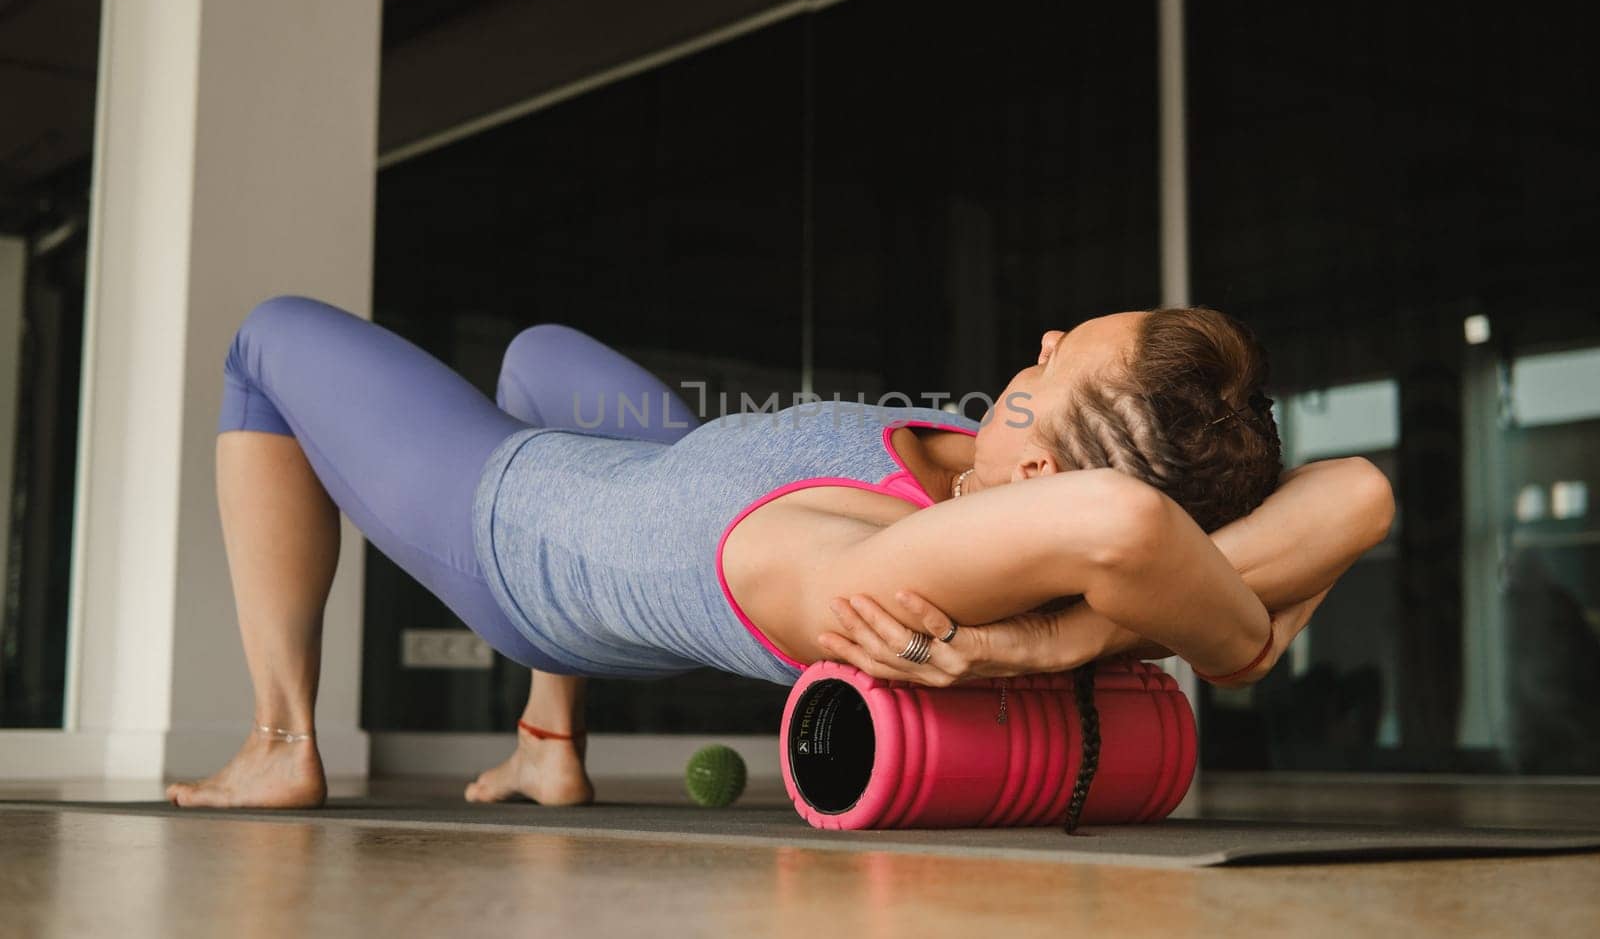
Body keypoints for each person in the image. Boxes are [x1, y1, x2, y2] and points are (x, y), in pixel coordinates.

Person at [166, 296, 1393, 809]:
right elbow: (1358, 489)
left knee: (269, 341)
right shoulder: (997, 477)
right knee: (541, 352)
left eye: (1052, 367)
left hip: (518, 531)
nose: (1046, 333)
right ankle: (549, 745)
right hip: (665, 476)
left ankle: (281, 743)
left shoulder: (889, 569)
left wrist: (1219, 646)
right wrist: (1093, 625)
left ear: (1041, 488)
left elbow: (1127, 529)